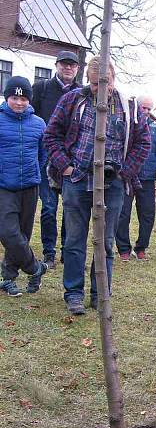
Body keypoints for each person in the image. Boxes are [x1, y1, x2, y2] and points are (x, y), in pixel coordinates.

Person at [44, 56, 150, 315]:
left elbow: (143, 142)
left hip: (112, 185)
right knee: (74, 240)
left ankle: (100, 294)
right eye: (94, 84)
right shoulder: (72, 101)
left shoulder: (128, 106)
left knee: (105, 242)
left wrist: (124, 173)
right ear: (87, 81)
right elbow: (51, 136)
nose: (100, 89)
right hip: (77, 181)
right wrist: (66, 168)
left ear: (113, 77)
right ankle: (74, 294)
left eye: (105, 82)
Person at [31, 50, 81, 269]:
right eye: (64, 64)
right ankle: (49, 252)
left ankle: (66, 252)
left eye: (72, 65)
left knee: (71, 208)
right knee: (49, 208)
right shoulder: (41, 89)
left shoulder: (83, 93)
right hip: (46, 158)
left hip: (73, 160)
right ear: (57, 65)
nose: (68, 68)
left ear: (78, 68)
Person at [0, 76, 48, 297]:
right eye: (14, 97)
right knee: (8, 232)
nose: (19, 102)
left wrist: (33, 172)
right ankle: (35, 268)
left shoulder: (39, 124)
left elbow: (42, 155)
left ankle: (8, 278)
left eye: (24, 98)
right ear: (6, 97)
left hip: (29, 186)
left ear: (29, 99)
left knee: (22, 234)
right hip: (4, 186)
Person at [116, 95, 156, 261]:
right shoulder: (127, 124)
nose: (147, 112)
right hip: (127, 176)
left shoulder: (154, 128)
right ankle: (123, 249)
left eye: (150, 108)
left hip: (147, 178)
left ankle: (141, 247)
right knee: (123, 213)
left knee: (148, 213)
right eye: (144, 108)